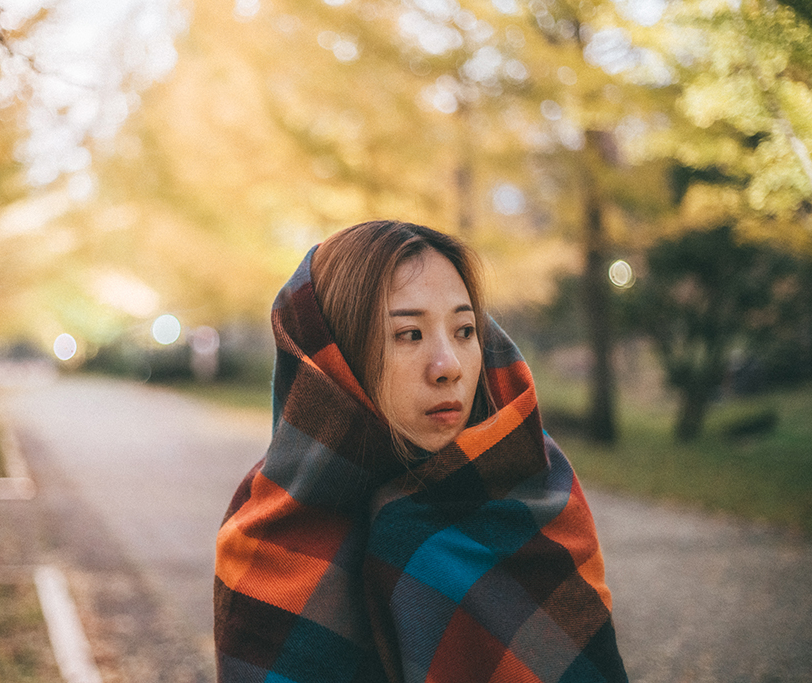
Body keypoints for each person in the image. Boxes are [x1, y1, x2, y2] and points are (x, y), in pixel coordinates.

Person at [214, 221, 628, 683]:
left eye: (465, 330)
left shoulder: (534, 495)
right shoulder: (269, 532)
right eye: (409, 334)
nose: (448, 366)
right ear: (338, 359)